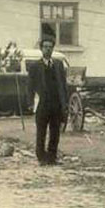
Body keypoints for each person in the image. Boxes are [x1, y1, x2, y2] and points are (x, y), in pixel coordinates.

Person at [27, 37, 68, 165]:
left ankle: (52, 157)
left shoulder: (58, 65)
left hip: (56, 104)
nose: (48, 49)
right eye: (45, 47)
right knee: (41, 132)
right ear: (41, 49)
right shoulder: (35, 66)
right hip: (42, 103)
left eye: (50, 47)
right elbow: (30, 86)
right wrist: (30, 103)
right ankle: (41, 157)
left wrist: (64, 103)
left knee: (55, 132)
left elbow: (63, 84)